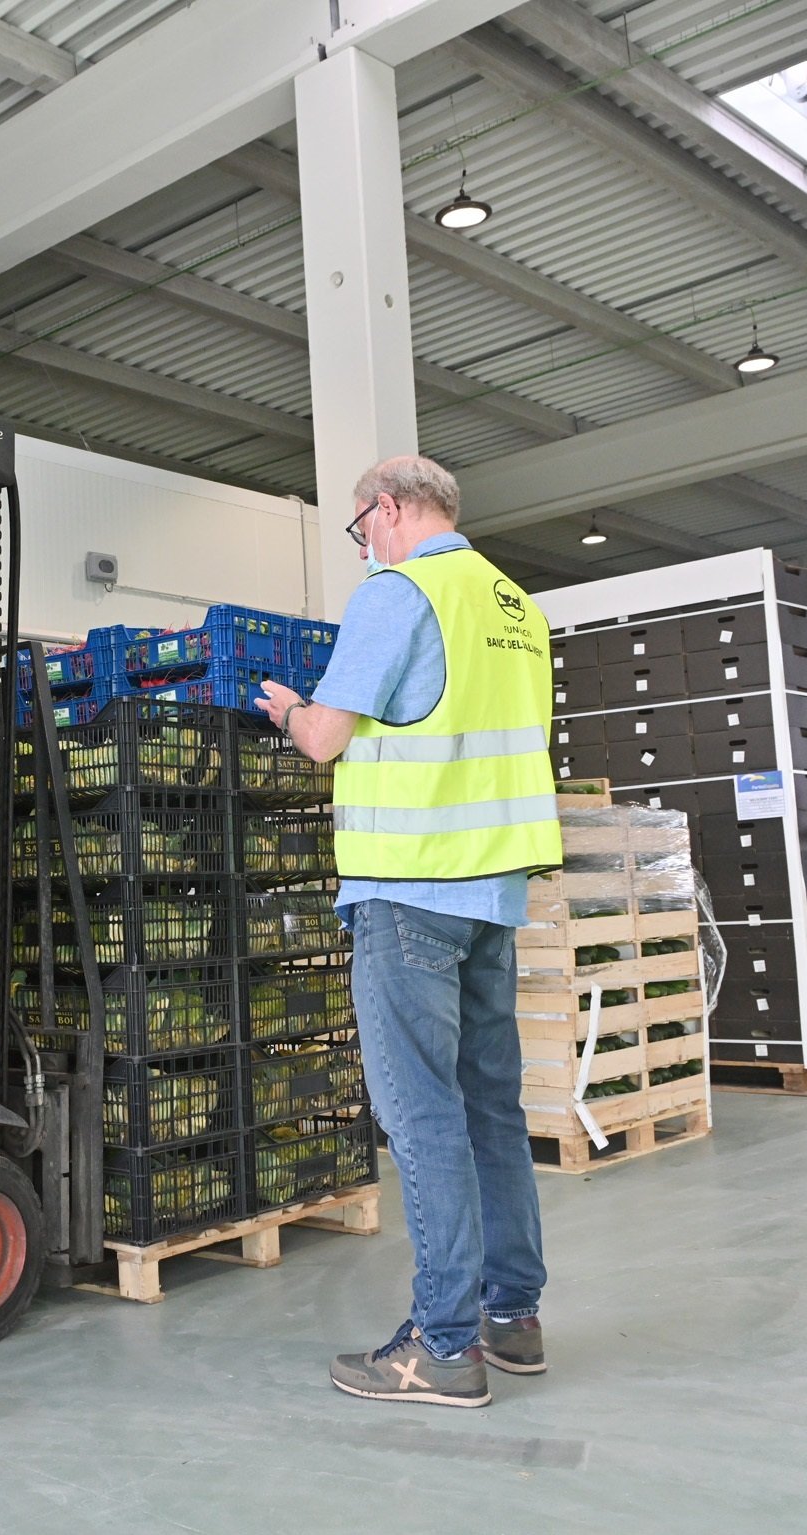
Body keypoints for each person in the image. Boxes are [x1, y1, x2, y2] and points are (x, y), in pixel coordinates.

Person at [256, 453, 562, 1410]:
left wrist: (288, 708)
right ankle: (511, 1319)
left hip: (408, 890)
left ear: (386, 510)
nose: (364, 549)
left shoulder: (399, 592)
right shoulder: (514, 606)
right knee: (489, 1111)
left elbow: (326, 738)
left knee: (423, 1117)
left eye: (360, 530)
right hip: (490, 898)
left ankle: (440, 1347)